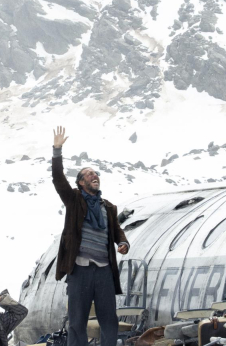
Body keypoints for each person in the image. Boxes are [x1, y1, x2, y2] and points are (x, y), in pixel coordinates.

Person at [50, 126, 129, 346]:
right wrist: (57, 151)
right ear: (81, 183)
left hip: (103, 271)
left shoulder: (107, 207)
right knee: (77, 322)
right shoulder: (74, 200)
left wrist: (122, 242)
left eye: (96, 173)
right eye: (89, 174)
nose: (95, 176)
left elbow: (117, 232)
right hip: (80, 270)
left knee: (109, 320)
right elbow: (58, 179)